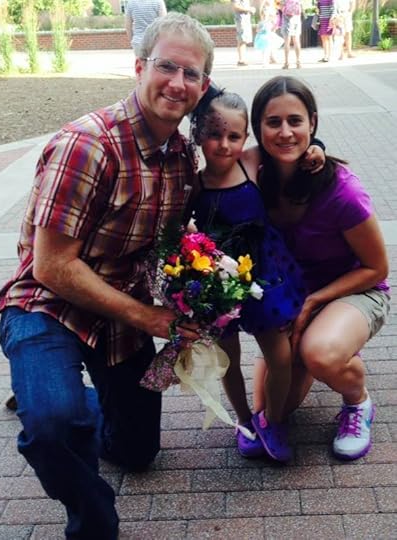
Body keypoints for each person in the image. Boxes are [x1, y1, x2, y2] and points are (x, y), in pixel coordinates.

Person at [0, 13, 213, 540]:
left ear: (204, 86)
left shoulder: (183, 157)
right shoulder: (88, 145)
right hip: (47, 304)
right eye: (166, 67)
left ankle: (54, 396)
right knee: (53, 427)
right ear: (139, 67)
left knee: (137, 452)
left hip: (118, 316)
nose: (177, 83)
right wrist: (150, 318)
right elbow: (52, 266)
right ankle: (93, 519)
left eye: (191, 73)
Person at [247, 75, 390, 461]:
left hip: (354, 291)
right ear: (258, 128)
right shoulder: (255, 179)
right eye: (273, 122)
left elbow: (377, 268)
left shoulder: (342, 191)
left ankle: (357, 400)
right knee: (273, 410)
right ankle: (307, 346)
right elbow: (217, 163)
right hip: (289, 300)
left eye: (295, 121)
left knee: (320, 354)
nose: (285, 132)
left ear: (312, 122)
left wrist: (313, 303)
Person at [189, 85, 326, 462]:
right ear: (199, 134)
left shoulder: (250, 162)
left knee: (280, 357)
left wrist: (317, 147)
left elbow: (291, 147)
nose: (224, 145)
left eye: (234, 136)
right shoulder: (194, 184)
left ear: (245, 136)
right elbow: (180, 228)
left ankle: (273, 420)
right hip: (219, 285)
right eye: (214, 135)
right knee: (227, 359)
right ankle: (245, 420)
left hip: (265, 278)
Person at [231, 0, 256, 66]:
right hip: (241, 19)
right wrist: (249, 9)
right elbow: (235, 6)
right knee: (242, 39)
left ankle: (243, 59)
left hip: (245, 18)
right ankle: (241, 60)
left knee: (244, 39)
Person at [280, 0, 302, 69]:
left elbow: (281, 7)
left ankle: (286, 63)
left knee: (287, 41)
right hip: (296, 19)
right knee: (297, 40)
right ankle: (298, 62)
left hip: (287, 19)